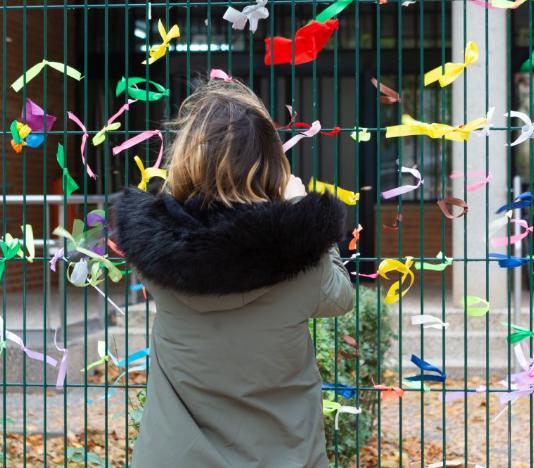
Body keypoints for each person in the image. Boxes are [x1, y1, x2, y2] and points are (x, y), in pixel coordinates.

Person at [113, 77, 354, 467]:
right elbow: (341, 296)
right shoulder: (300, 264)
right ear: (273, 162)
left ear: (186, 156)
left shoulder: (156, 257)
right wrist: (304, 216)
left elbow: (191, 220)